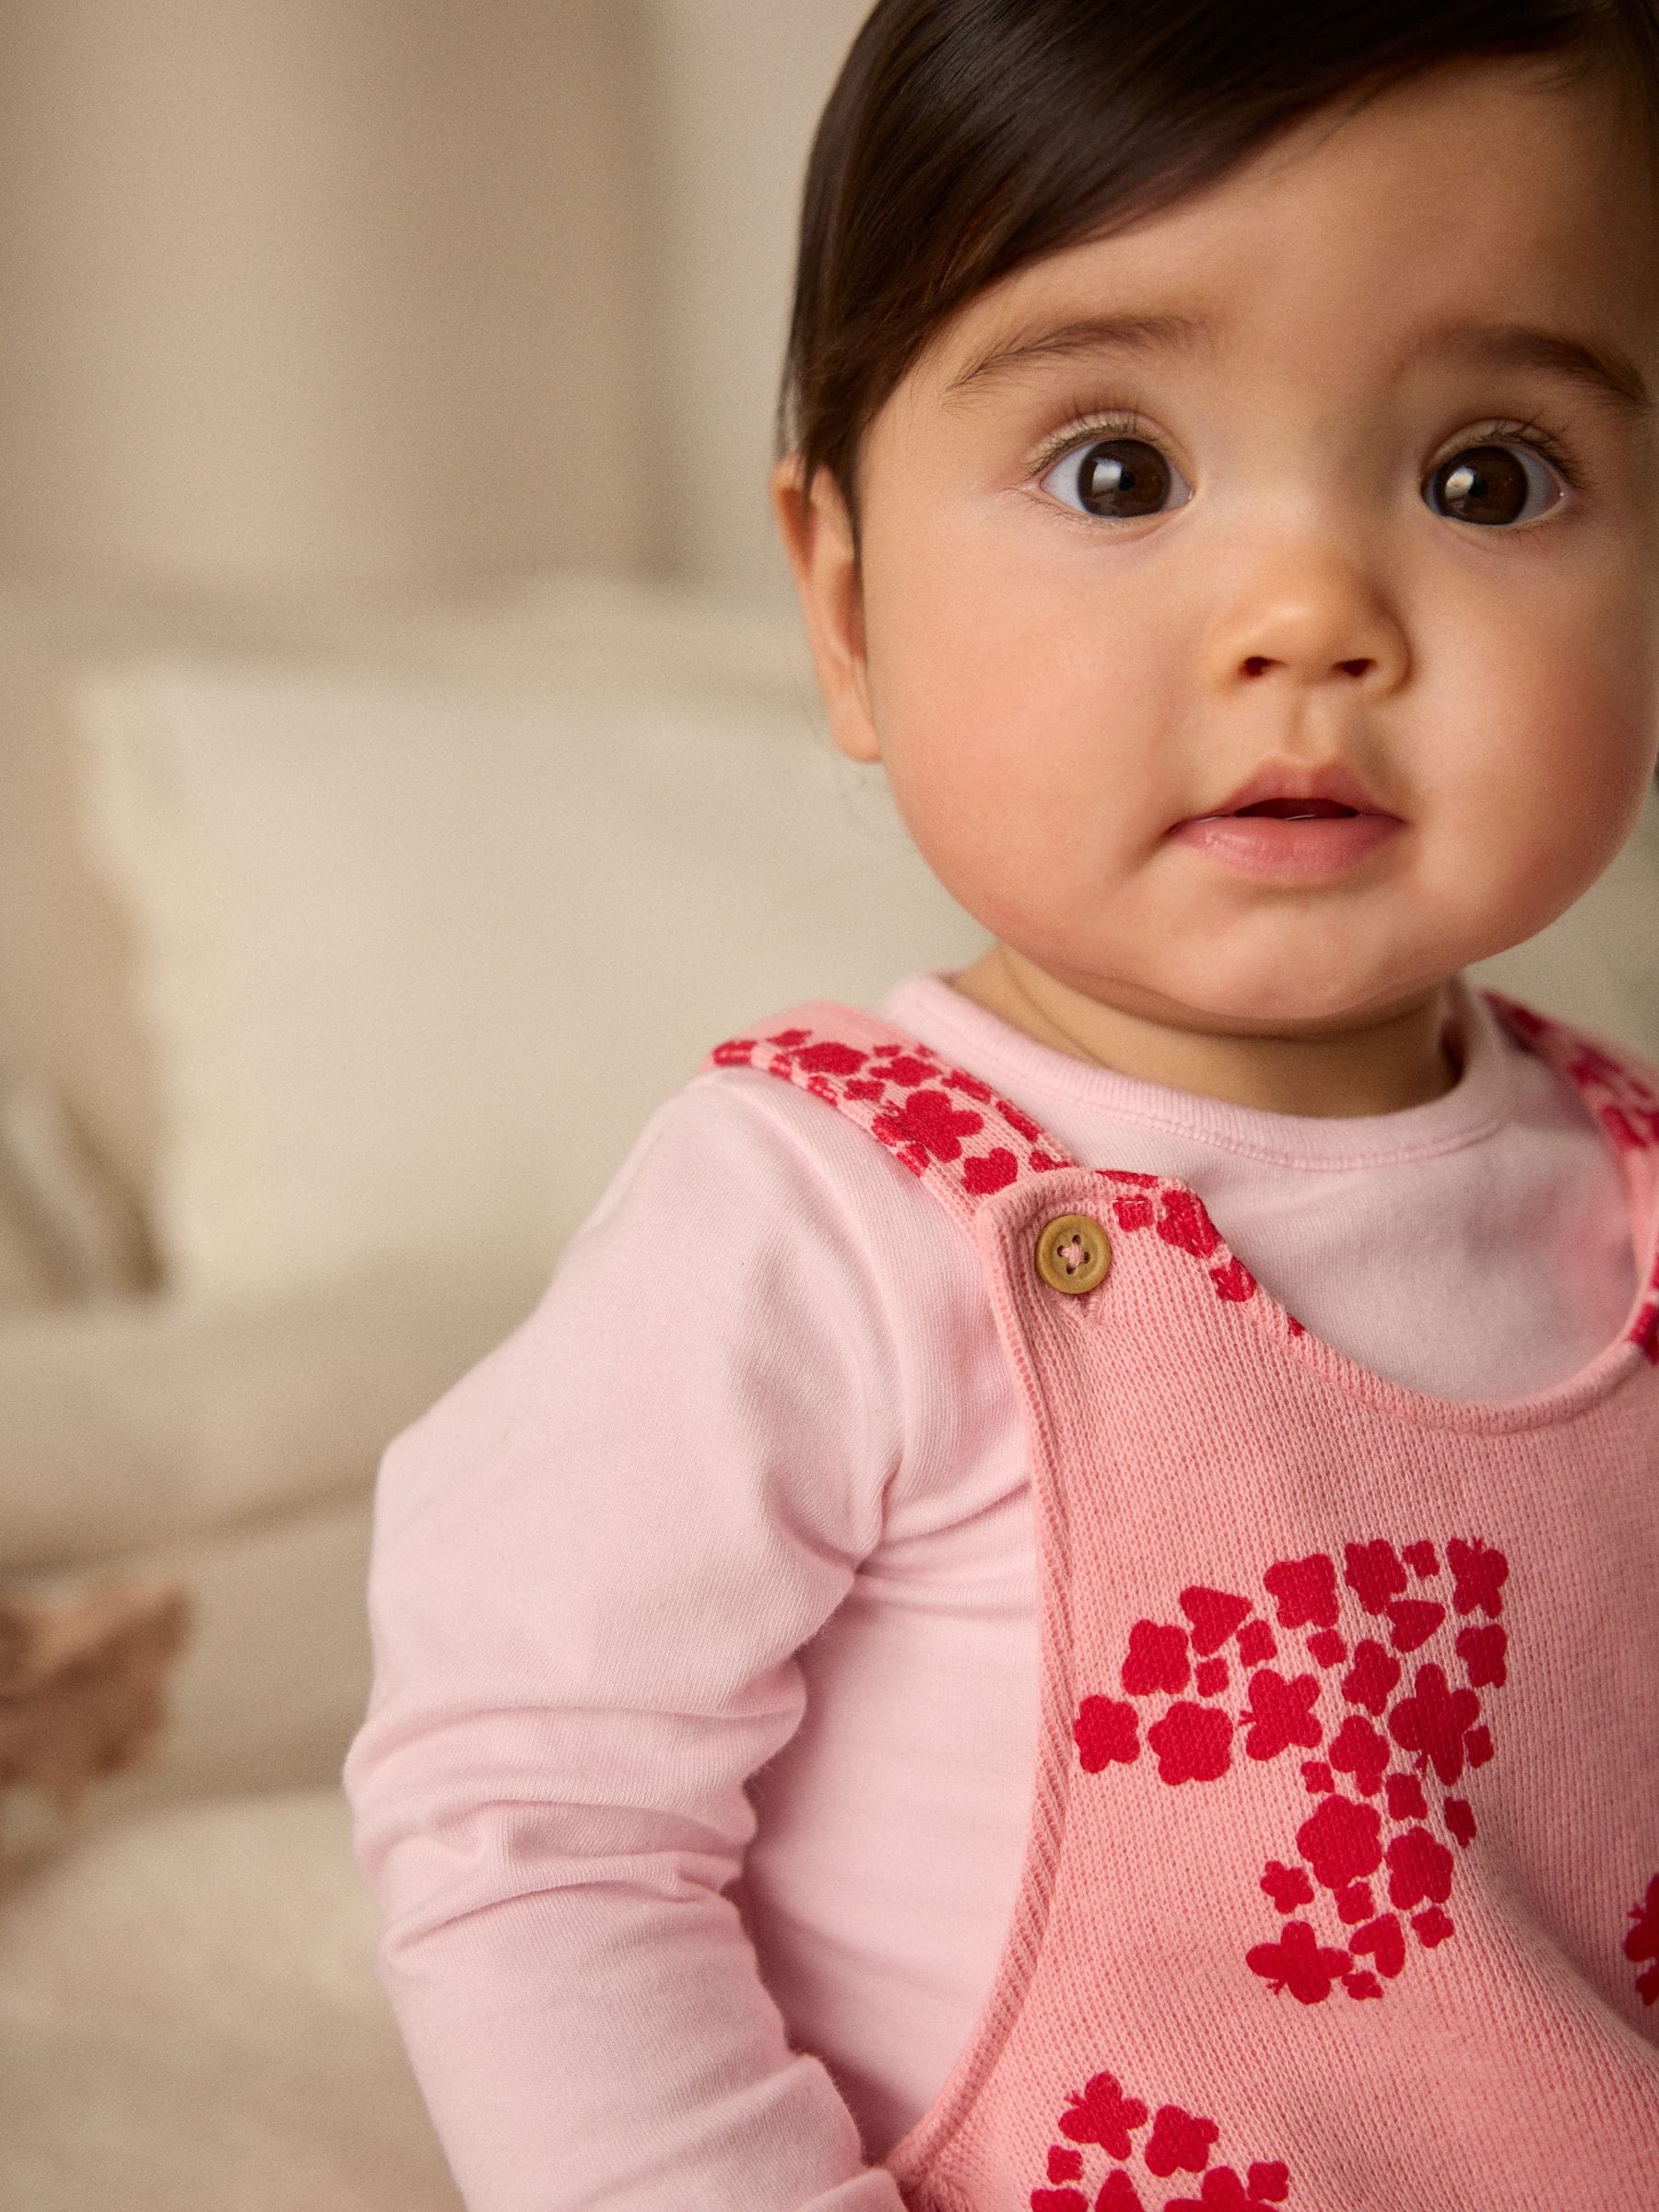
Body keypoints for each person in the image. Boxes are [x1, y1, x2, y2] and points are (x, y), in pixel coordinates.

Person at [342, 4, 1659, 2205]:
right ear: (848, 608)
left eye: (1488, 475)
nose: (1309, 614)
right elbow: (530, 1831)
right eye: (1119, 470)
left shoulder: (1622, 1186)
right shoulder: (829, 1220)